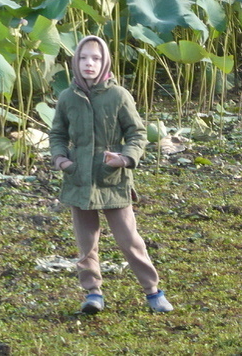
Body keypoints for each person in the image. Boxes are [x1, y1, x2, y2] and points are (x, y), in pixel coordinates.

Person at [49, 35, 173, 314]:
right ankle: (93, 293)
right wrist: (61, 160)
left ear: (104, 61)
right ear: (75, 62)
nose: (89, 63)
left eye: (95, 58)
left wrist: (125, 158)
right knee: (86, 243)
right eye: (83, 58)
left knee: (129, 239)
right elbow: (57, 133)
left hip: (112, 178)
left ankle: (153, 292)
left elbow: (137, 133)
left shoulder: (119, 95)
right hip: (78, 179)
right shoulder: (67, 97)